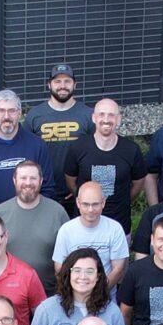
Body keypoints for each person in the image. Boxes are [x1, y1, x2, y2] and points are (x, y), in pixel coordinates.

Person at [57, 96, 149, 228]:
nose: (106, 120)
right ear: (94, 118)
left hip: (119, 223)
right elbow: (71, 180)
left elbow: (138, 182)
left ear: (118, 119)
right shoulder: (77, 148)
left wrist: (123, 200)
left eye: (111, 115)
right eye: (101, 114)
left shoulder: (131, 150)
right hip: (84, 224)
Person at [0, 88, 57, 204]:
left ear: (19, 113)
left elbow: (47, 188)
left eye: (12, 111)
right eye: (1, 111)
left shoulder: (37, 145)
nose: (6, 116)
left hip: (31, 216)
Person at [53, 180, 132, 284]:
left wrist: (99, 294)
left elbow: (118, 269)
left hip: (105, 295)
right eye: (85, 204)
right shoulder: (66, 230)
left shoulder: (115, 229)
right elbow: (59, 268)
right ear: (78, 202)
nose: (90, 209)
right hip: (73, 294)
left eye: (95, 204)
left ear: (103, 202)